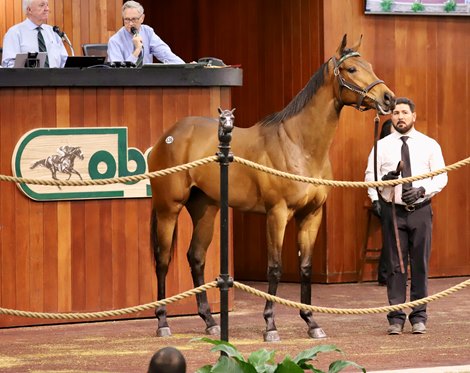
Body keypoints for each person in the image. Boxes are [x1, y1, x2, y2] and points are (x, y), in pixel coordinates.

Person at [365, 97, 447, 335]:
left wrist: (422, 190)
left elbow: (441, 177)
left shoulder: (430, 144)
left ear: (413, 116)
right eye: (395, 113)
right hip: (393, 211)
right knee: (395, 266)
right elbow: (370, 176)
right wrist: (382, 187)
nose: (399, 116)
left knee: (419, 263)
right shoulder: (382, 146)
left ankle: (419, 316)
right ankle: (396, 318)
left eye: (404, 112)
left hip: (420, 211)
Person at [107, 1, 185, 67]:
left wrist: (186, 66)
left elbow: (165, 54)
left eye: (134, 19)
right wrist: (137, 50)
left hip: (147, 81)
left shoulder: (148, 32)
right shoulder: (115, 41)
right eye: (127, 19)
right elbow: (118, 72)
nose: (130, 23)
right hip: (125, 83)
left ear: (142, 18)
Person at [1, 0, 68, 68]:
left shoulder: (54, 31)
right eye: (42, 5)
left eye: (47, 5)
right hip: (27, 78)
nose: (47, 9)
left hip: (55, 77)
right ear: (29, 10)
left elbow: (64, 62)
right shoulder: (14, 33)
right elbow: (9, 65)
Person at [368, 118, 394, 286]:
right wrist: (375, 199)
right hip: (384, 199)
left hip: (403, 199)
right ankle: (385, 273)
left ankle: (395, 272)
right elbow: (371, 176)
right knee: (392, 234)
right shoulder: (379, 149)